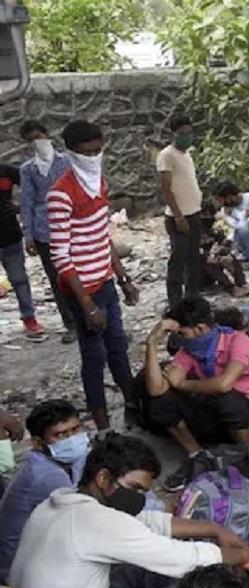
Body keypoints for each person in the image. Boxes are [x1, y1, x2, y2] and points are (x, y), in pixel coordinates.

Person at [9, 433, 249, 588]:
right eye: (134, 489)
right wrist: (241, 556)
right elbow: (180, 558)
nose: (139, 499)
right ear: (103, 477)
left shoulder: (57, 505)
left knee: (145, 565)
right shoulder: (97, 521)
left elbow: (144, 524)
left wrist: (214, 529)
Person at [49, 119, 140, 432]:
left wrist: (123, 277)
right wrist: (86, 304)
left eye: (98, 150)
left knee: (118, 347)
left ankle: (133, 407)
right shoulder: (60, 194)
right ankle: (102, 427)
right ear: (71, 152)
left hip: (105, 281)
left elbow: (103, 236)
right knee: (94, 356)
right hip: (82, 291)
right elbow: (61, 256)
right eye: (87, 152)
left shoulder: (98, 183)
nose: (94, 156)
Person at [144, 297, 249, 490]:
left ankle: (246, 457)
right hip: (219, 416)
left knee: (227, 398)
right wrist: (151, 345)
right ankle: (197, 456)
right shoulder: (189, 350)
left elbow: (223, 385)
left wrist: (182, 384)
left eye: (182, 332)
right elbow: (156, 389)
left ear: (200, 329)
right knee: (160, 402)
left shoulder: (238, 341)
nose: (179, 337)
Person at [0, 400, 87, 583]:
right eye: (60, 435)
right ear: (38, 443)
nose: (72, 439)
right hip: (19, 569)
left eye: (75, 429)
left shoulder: (68, 459)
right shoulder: (45, 475)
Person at [18, 120, 72, 342]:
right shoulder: (28, 169)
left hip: (70, 227)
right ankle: (71, 322)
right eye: (31, 140)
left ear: (47, 135)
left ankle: (89, 315)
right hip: (44, 231)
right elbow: (27, 202)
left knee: (79, 274)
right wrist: (29, 235)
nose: (36, 142)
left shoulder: (67, 161)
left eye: (38, 136)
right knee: (57, 280)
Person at [157, 115, 205, 306]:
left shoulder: (187, 154)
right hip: (179, 217)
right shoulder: (167, 155)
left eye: (189, 133)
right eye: (182, 134)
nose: (187, 137)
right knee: (178, 260)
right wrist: (178, 215)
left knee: (194, 260)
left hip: (194, 213)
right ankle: (175, 302)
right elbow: (166, 188)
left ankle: (193, 298)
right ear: (173, 134)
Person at [0, 160, 45, 339]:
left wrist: (20, 208)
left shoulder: (7, 171)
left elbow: (33, 189)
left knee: (19, 280)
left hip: (10, 236)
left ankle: (29, 318)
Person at [213, 182, 249, 264]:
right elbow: (237, 227)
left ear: (229, 197)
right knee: (242, 228)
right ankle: (248, 258)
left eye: (221, 200)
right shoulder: (225, 210)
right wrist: (244, 214)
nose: (221, 204)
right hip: (243, 242)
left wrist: (237, 214)